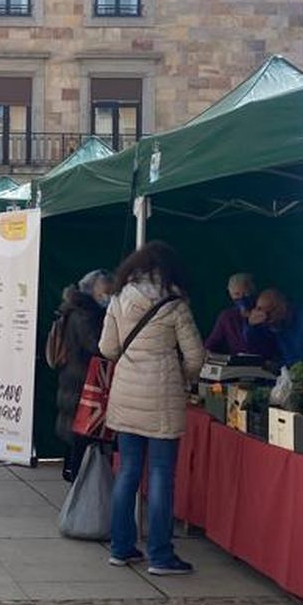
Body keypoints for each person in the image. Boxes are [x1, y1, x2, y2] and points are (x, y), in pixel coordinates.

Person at [99, 241, 205, 576]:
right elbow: (196, 357)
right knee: (161, 476)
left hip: (126, 395)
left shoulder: (118, 298)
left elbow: (107, 348)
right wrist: (181, 376)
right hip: (162, 399)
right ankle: (160, 554)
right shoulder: (175, 304)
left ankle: (120, 547)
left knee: (128, 471)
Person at [51, 269, 113, 483]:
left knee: (74, 433)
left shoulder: (74, 309)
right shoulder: (86, 314)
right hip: (82, 381)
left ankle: (71, 472)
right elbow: (97, 346)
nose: (108, 296)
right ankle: (77, 479)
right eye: (105, 291)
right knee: (80, 435)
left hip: (73, 377)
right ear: (93, 290)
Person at [204, 272, 278, 357]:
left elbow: (273, 344)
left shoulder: (265, 312)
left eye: (246, 293)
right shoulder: (227, 316)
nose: (242, 298)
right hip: (238, 365)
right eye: (237, 294)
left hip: (264, 363)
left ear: (254, 291)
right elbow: (212, 343)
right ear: (230, 295)